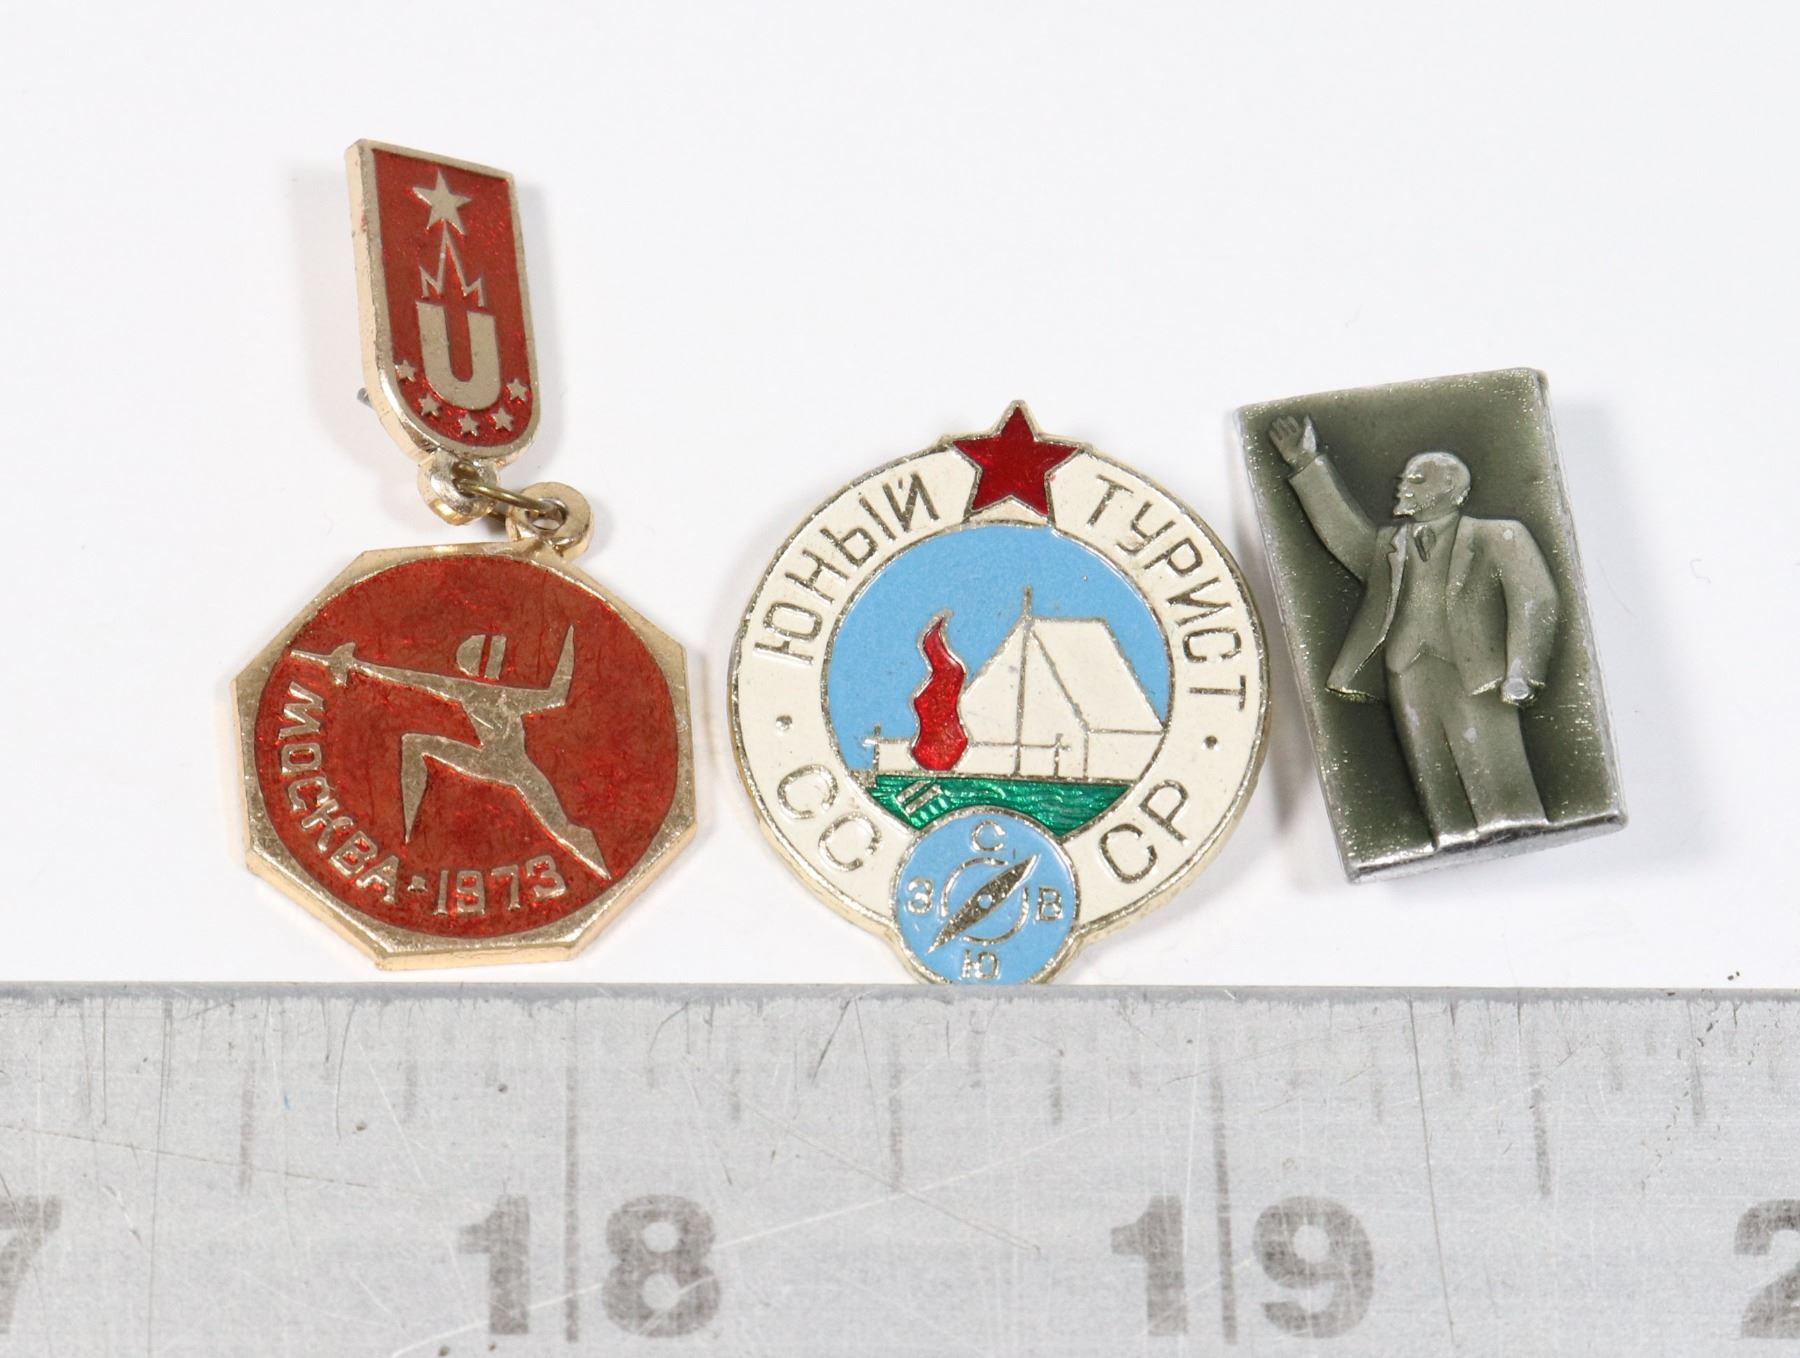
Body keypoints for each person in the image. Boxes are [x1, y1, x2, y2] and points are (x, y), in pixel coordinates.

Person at [1268, 414, 1559, 847]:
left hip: (1476, 673)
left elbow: (1535, 599)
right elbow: (1344, 536)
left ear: (1450, 488)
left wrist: (1522, 670)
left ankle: (1517, 829)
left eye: (1417, 479)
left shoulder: (1499, 535)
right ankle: (1449, 838)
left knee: (1496, 774)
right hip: (1406, 673)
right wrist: (1307, 464)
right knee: (1433, 773)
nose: (1402, 485)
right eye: (1404, 478)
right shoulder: (1390, 546)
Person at [294, 627, 610, 875]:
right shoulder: (479, 691)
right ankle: (409, 830)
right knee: (414, 742)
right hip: (488, 761)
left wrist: (569, 645)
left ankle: (601, 868)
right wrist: (358, 664)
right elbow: (407, 678)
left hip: (517, 768)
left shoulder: (496, 694)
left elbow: (557, 695)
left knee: (565, 828)